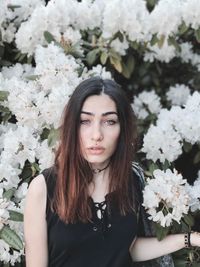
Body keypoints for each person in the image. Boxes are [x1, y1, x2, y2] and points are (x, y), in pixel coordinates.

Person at [24, 76, 200, 267]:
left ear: (122, 128)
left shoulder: (132, 180)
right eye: (85, 121)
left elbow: (127, 248)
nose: (97, 135)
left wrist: (189, 239)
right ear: (72, 127)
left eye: (109, 121)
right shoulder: (43, 188)